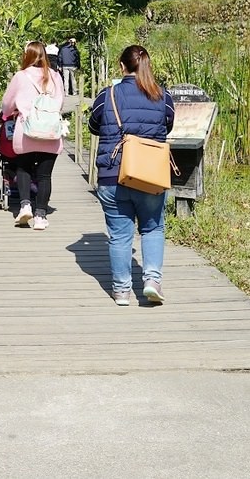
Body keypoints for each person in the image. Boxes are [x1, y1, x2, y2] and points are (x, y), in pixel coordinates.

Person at [88, 45, 175, 306]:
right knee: (152, 228)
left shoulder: (109, 94)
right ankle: (151, 281)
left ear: (122, 67)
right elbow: (167, 124)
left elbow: (94, 125)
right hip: (150, 174)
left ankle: (122, 291)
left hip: (113, 173)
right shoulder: (163, 96)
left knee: (119, 235)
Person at [1, 41, 65, 230]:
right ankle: (41, 216)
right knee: (45, 176)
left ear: (27, 56)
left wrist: (14, 111)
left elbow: (6, 106)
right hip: (51, 132)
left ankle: (25, 205)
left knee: (23, 169)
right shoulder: (55, 76)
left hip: (26, 131)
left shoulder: (20, 77)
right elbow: (60, 103)